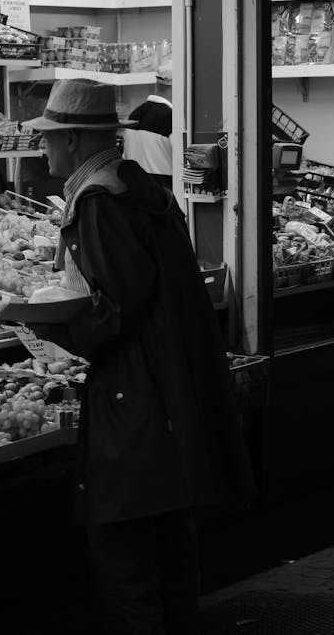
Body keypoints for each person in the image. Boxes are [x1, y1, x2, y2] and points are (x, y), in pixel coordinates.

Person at [26, 78, 256, 635]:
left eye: (49, 139)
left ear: (76, 141)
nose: (43, 149)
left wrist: (49, 325)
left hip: (136, 399)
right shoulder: (139, 188)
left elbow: (117, 305)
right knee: (170, 541)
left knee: (124, 552)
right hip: (171, 391)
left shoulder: (99, 205)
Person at [123, 62, 174, 187]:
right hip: (165, 198)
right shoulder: (171, 119)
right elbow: (183, 164)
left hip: (137, 195)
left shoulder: (134, 115)